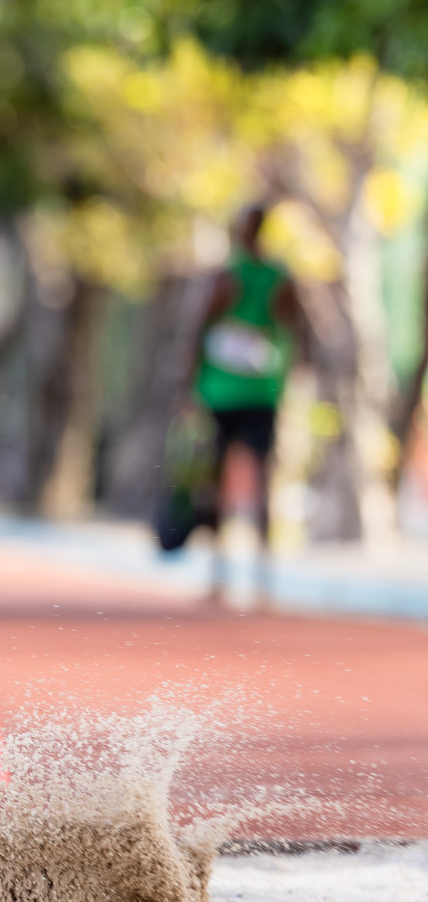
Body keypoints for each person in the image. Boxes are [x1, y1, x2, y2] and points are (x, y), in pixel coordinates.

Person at [191, 204, 305, 606]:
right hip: (260, 392)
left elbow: (199, 327)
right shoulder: (279, 278)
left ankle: (222, 579)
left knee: (219, 481)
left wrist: (189, 386)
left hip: (224, 391)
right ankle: (259, 583)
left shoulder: (227, 276)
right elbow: (295, 328)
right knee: (259, 481)